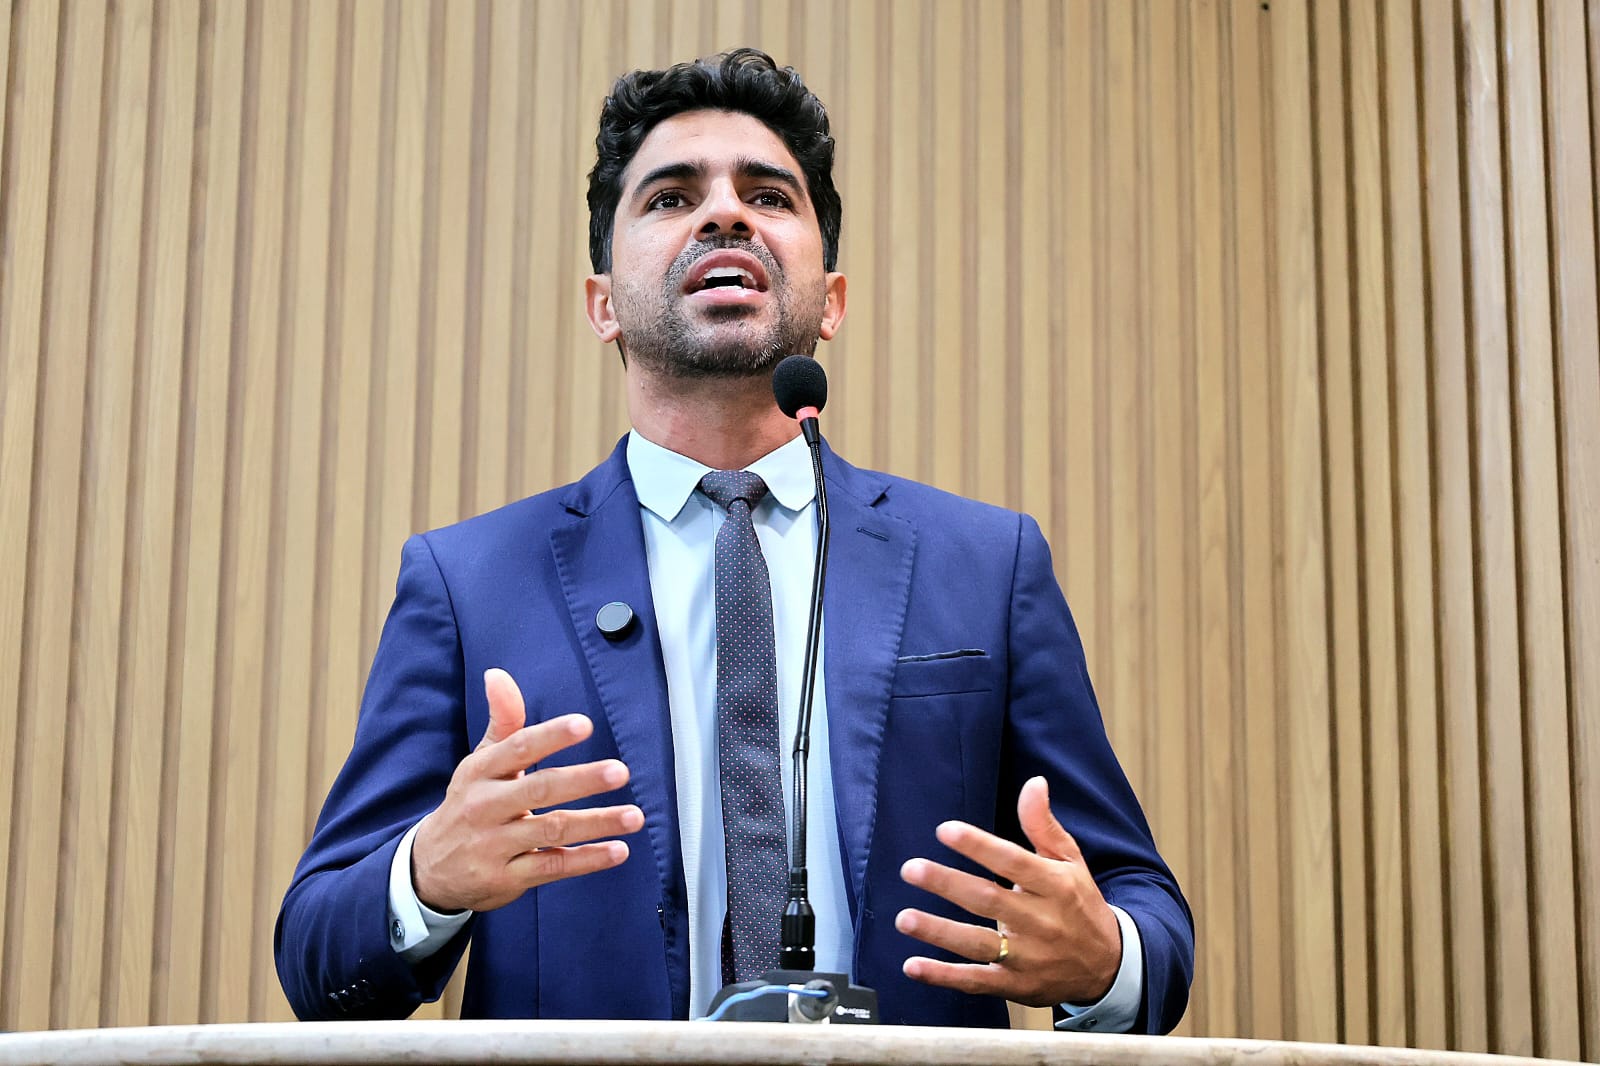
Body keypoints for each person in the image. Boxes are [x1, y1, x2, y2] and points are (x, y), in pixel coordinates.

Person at [275, 48, 1192, 1032]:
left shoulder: (985, 565)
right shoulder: (469, 583)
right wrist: (427, 876)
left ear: (831, 300)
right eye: (671, 197)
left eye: (768, 196)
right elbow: (317, 955)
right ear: (602, 306)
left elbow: (1141, 908)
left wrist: (1105, 962)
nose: (725, 214)